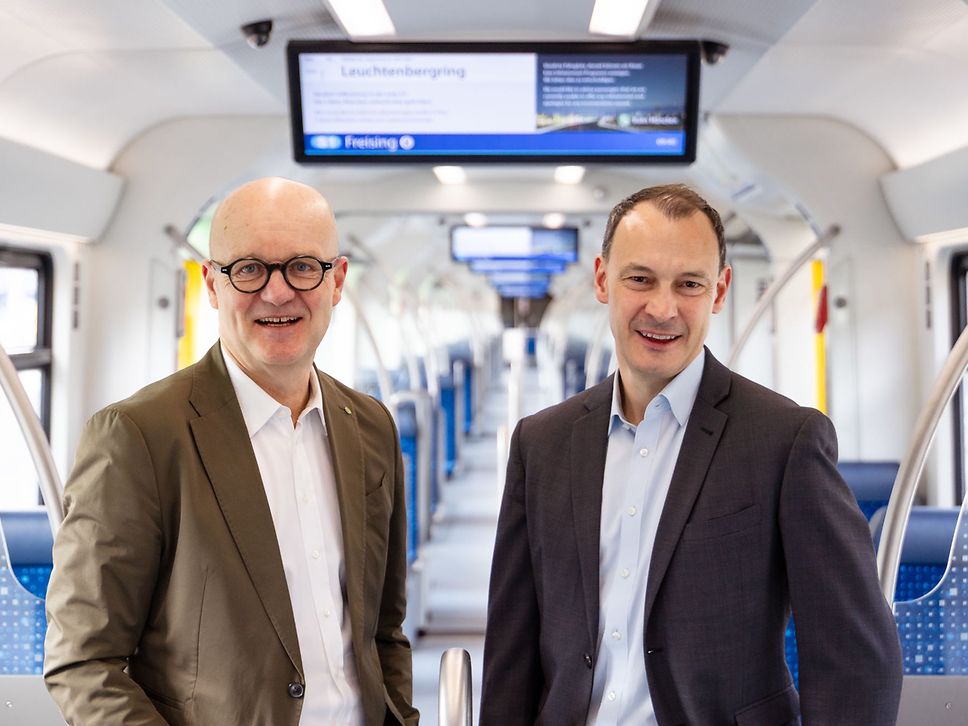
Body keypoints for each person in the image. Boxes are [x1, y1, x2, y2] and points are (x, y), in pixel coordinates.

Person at [480, 184, 902, 725]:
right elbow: (512, 655)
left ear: (719, 290)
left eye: (689, 284)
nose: (663, 309)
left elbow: (857, 660)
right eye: (640, 279)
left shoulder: (785, 442)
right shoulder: (541, 444)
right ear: (603, 279)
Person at [44, 177, 418, 726]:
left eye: (302, 267)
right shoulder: (140, 437)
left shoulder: (369, 425)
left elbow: (383, 628)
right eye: (248, 268)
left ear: (337, 281)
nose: (278, 293)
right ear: (212, 285)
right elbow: (83, 660)